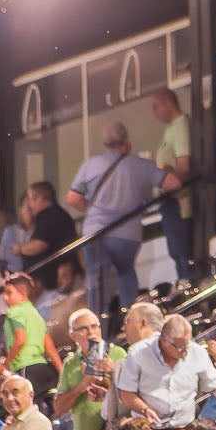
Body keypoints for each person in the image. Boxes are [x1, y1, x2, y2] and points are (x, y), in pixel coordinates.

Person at [66, 119, 166, 312]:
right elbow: (173, 184)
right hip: (127, 234)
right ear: (126, 142)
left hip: (96, 233)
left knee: (96, 277)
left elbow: (73, 198)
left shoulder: (91, 165)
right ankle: (130, 317)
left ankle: (98, 322)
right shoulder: (141, 165)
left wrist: (93, 209)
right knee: (126, 271)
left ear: (106, 144)